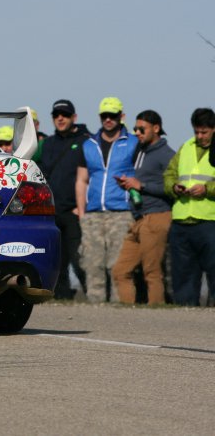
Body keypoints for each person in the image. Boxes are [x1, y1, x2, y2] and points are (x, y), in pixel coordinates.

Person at [76, 97, 138, 303]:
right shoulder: (88, 145)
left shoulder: (133, 143)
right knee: (92, 263)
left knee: (118, 264)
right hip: (93, 213)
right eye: (104, 116)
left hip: (122, 211)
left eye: (113, 115)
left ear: (122, 116)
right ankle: (96, 306)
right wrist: (82, 213)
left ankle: (119, 306)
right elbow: (81, 180)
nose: (108, 119)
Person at [111, 110, 175, 304]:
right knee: (120, 271)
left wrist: (142, 186)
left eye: (142, 129)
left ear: (156, 128)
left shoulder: (167, 154)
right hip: (139, 218)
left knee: (152, 272)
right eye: (135, 129)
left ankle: (157, 313)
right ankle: (128, 314)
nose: (137, 132)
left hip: (157, 216)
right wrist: (129, 184)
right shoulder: (140, 151)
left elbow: (172, 188)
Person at [39, 99, 91, 299]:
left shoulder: (86, 142)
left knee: (80, 260)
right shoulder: (47, 144)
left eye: (65, 115)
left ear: (74, 117)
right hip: (51, 213)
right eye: (56, 115)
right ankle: (61, 298)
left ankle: (95, 297)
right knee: (56, 261)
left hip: (73, 212)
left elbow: (92, 176)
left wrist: (82, 207)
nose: (60, 118)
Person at [163, 107, 215, 306]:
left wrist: (207, 189)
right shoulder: (185, 147)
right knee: (183, 275)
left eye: (204, 132)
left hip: (209, 221)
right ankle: (185, 314)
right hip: (182, 221)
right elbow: (169, 174)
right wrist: (174, 187)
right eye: (196, 131)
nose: (200, 136)